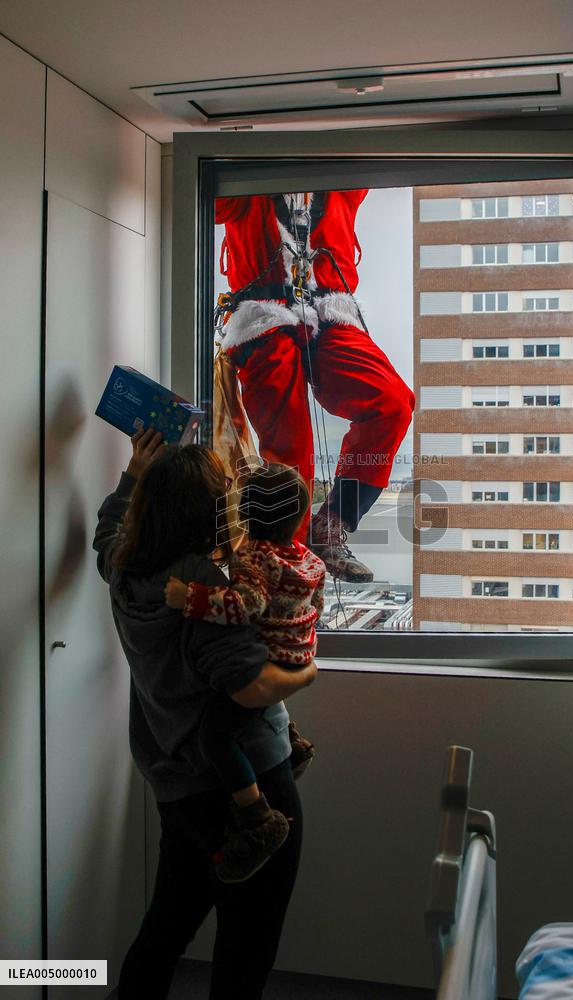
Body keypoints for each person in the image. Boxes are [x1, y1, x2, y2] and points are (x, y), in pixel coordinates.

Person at [93, 429, 316, 1000]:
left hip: (178, 789)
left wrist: (133, 476)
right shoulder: (206, 585)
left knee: (164, 931)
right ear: (215, 515)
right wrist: (308, 673)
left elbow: (107, 536)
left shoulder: (125, 572)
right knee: (246, 952)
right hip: (249, 790)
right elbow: (250, 687)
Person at [214, 189, 415, 583]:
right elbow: (214, 197)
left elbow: (368, 154)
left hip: (331, 309)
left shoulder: (339, 184)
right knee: (291, 444)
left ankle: (332, 524)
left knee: (392, 403)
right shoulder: (246, 188)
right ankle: (290, 554)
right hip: (263, 314)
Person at [165, 462, 325, 883]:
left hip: (269, 657)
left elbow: (247, 605)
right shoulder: (307, 559)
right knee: (255, 702)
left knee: (214, 736)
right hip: (298, 652)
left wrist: (192, 598)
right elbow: (316, 607)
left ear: (247, 515)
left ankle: (256, 816)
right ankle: (295, 742)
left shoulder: (257, 556)